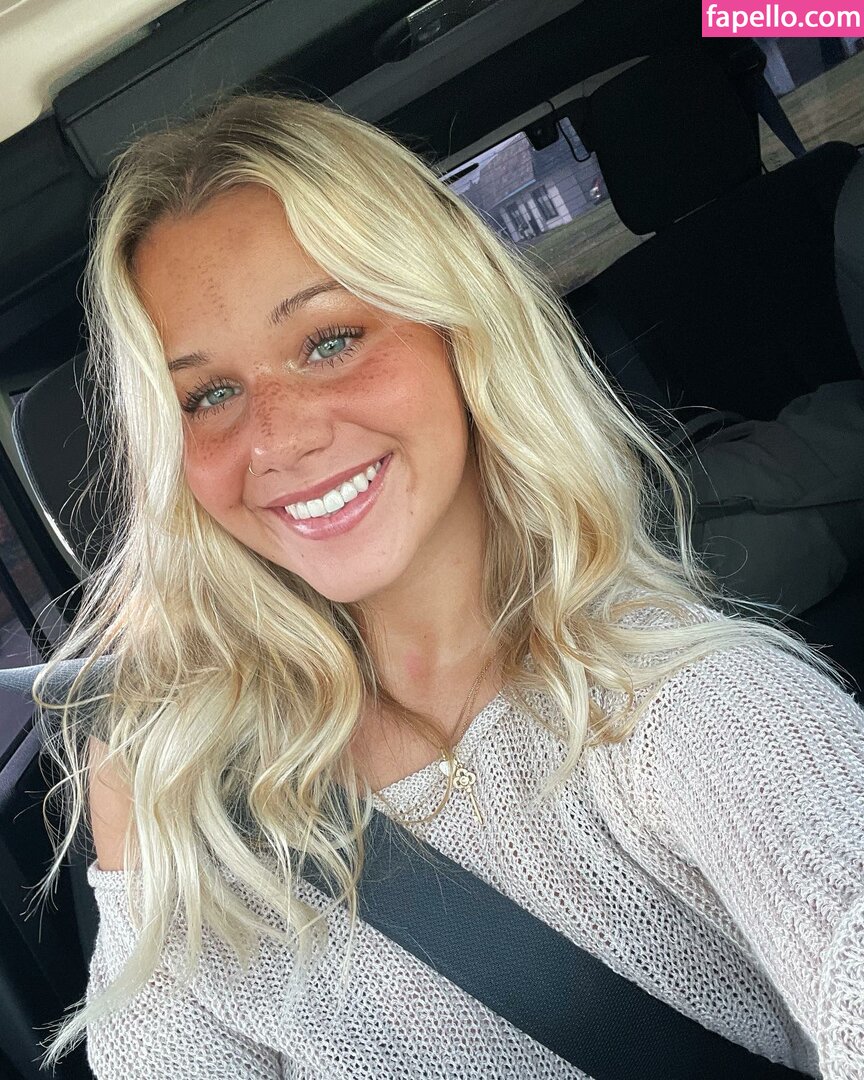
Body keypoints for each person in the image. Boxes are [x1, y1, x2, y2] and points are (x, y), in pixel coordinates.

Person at [30, 93, 862, 1078]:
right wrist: (132, 834)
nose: (278, 436)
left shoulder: (689, 710)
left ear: (459, 330)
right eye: (208, 395)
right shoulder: (185, 785)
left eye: (330, 340)